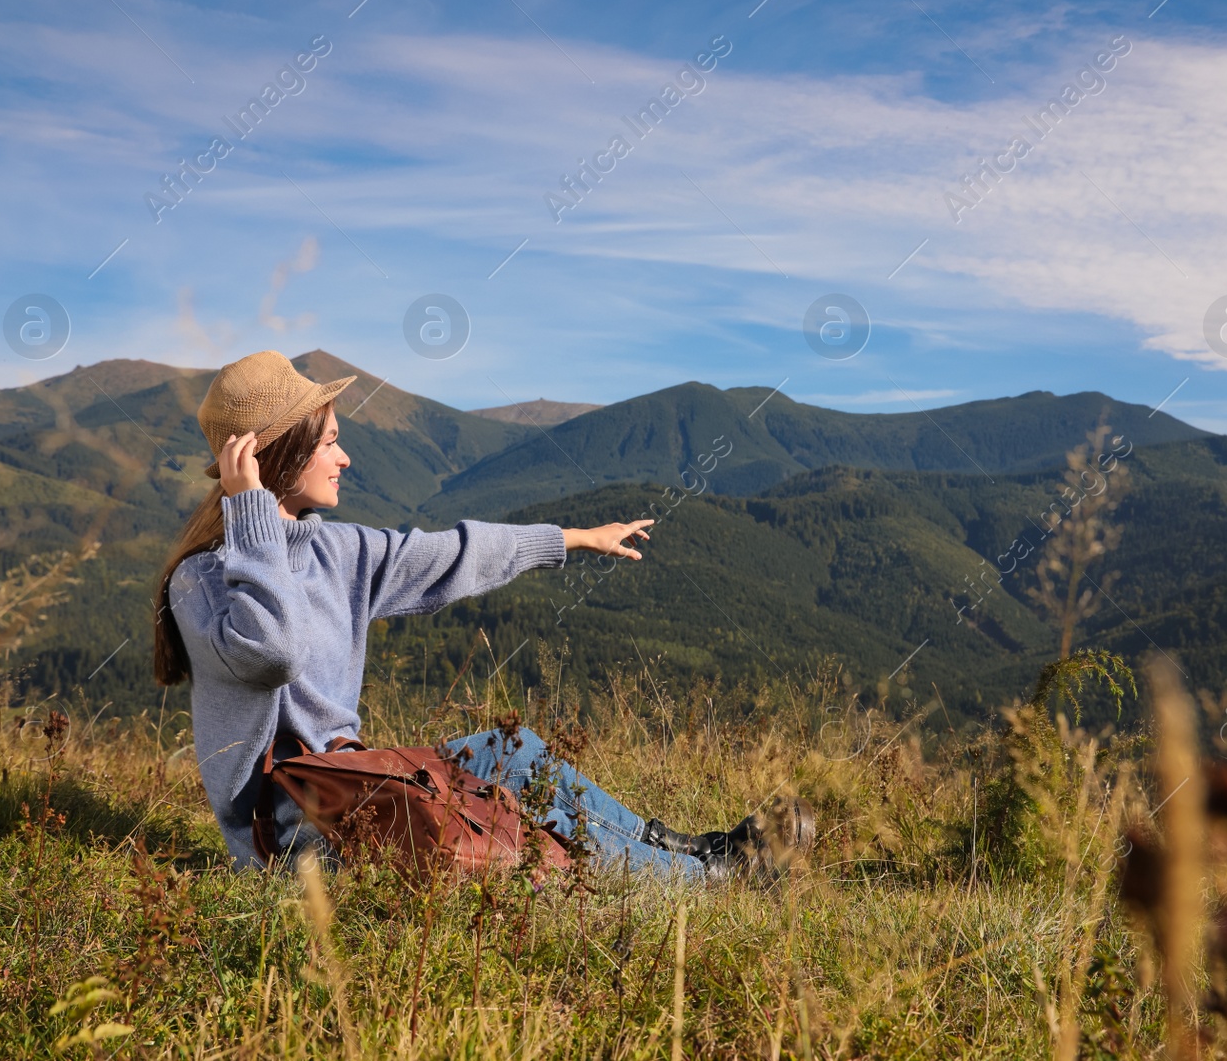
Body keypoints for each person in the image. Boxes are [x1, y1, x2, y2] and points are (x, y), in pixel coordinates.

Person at [152, 350, 814, 880]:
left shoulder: (338, 549)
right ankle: (705, 878)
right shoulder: (202, 582)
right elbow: (275, 651)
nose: (344, 457)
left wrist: (571, 538)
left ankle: (683, 852)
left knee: (507, 749)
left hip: (358, 785)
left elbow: (453, 554)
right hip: (298, 833)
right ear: (282, 452)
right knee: (474, 829)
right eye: (329, 441)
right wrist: (252, 520)